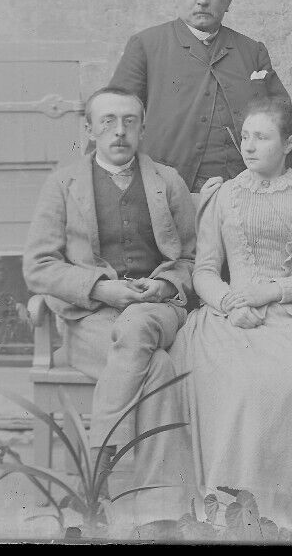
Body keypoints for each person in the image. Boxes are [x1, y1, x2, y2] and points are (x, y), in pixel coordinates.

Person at [22, 86, 195, 536]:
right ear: (89, 129)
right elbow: (39, 266)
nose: (119, 131)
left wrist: (162, 283)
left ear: (142, 127)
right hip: (92, 321)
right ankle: (158, 514)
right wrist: (100, 288)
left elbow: (194, 260)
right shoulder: (64, 183)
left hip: (155, 307)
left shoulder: (168, 182)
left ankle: (98, 476)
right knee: (156, 369)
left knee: (139, 325)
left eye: (129, 121)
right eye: (108, 122)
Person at [170, 95, 292, 532]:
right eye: (245, 137)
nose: (249, 146)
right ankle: (218, 508)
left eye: (261, 137)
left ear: (288, 143)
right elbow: (204, 270)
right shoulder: (224, 195)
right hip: (227, 315)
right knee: (229, 379)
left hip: (289, 311)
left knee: (291, 379)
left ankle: (267, 513)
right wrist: (230, 302)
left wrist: (271, 292)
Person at [111, 0, 289, 206]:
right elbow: (113, 116)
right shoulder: (146, 46)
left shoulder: (252, 51)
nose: (202, 0)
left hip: (245, 191)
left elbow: (282, 118)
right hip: (169, 192)